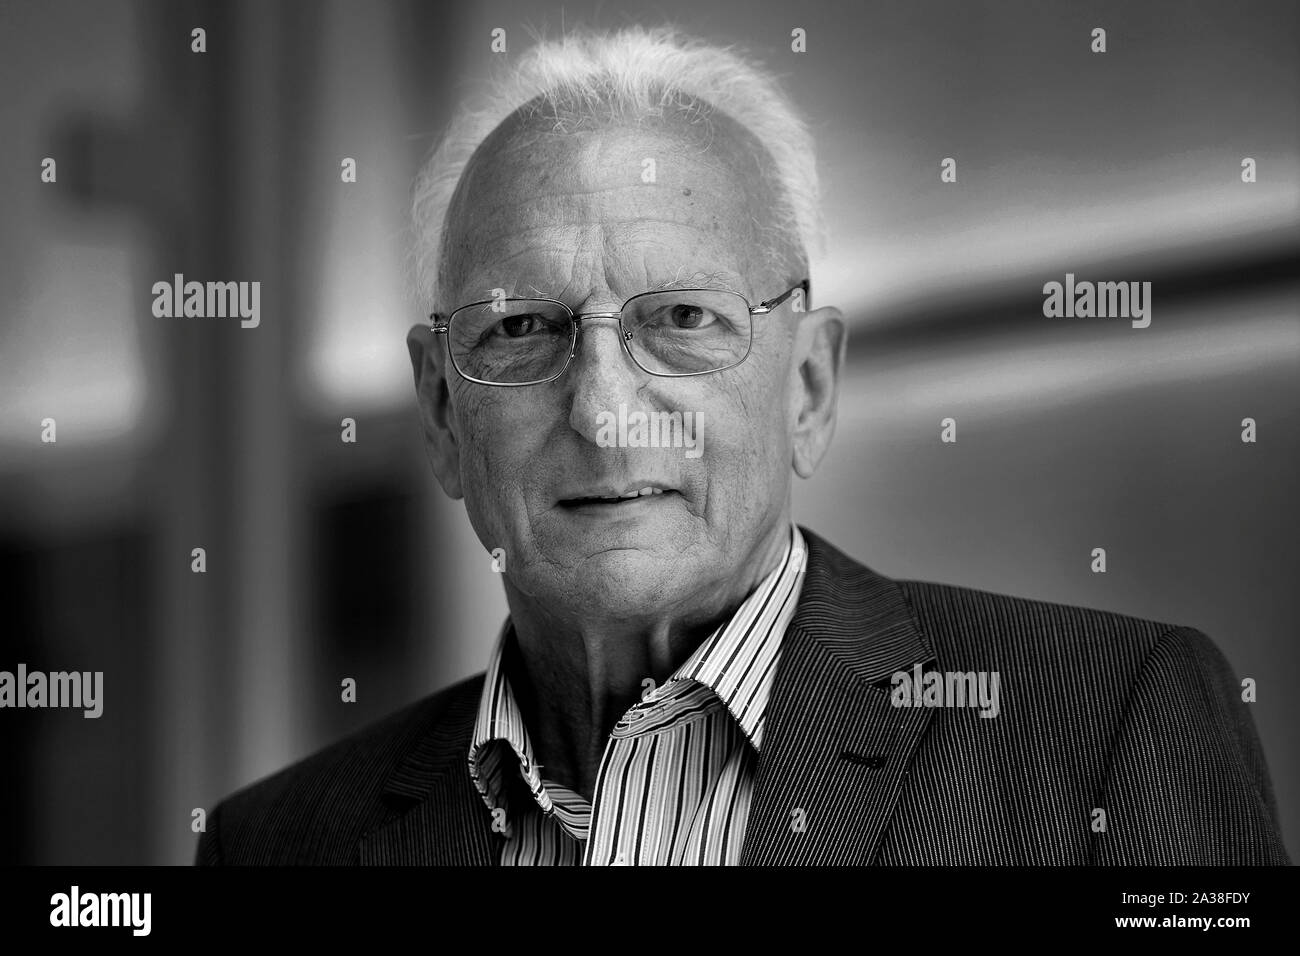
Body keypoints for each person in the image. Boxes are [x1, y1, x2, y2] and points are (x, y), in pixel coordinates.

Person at [196, 26, 1287, 866]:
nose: (603, 407)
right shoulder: (278, 844)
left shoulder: (1105, 724)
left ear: (808, 384)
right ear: (440, 412)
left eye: (682, 321)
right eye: (522, 328)